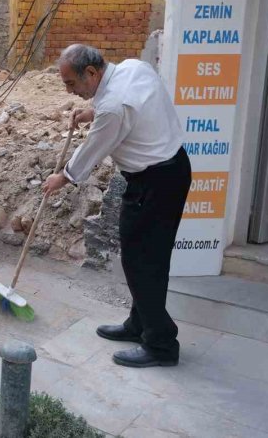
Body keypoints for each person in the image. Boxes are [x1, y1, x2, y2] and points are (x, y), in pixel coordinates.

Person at [43, 44, 191, 368]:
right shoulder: (133, 69)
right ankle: (140, 324)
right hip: (171, 170)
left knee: (142, 262)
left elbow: (93, 148)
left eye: (71, 83)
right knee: (147, 257)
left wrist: (63, 177)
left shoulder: (112, 106)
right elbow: (129, 107)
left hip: (155, 182)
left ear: (92, 73)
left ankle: (161, 344)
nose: (69, 90)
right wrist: (92, 111)